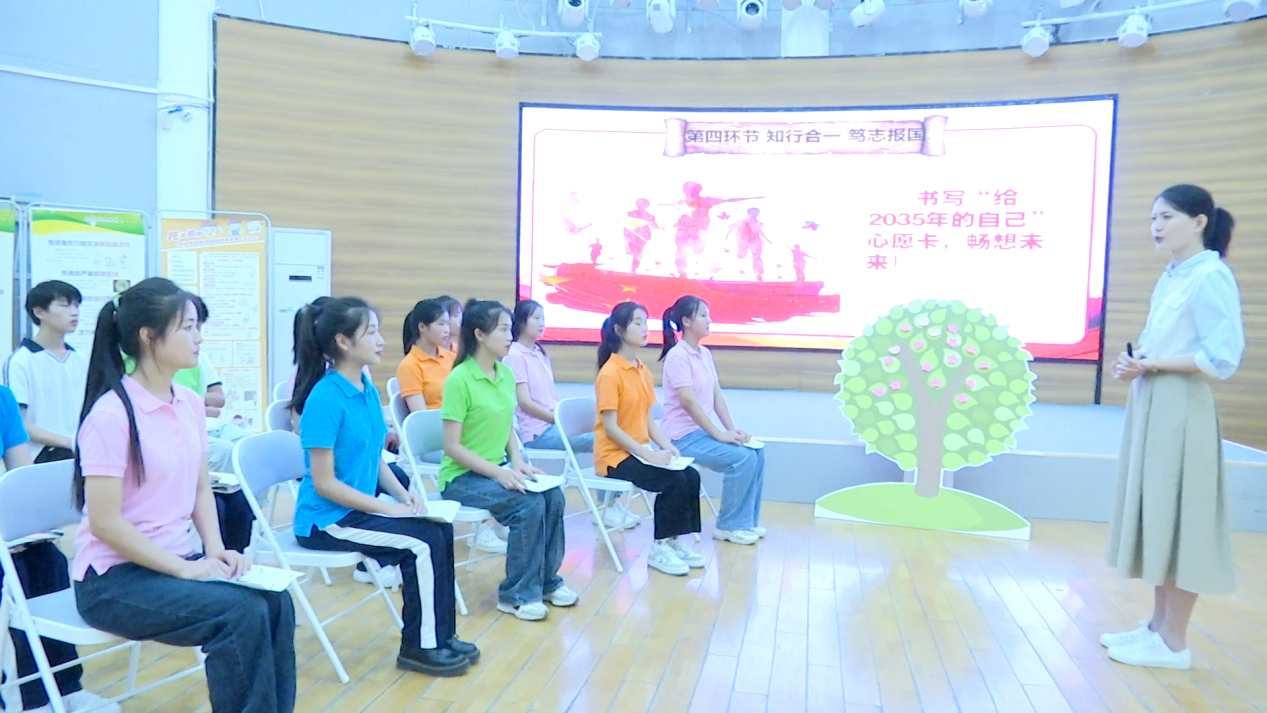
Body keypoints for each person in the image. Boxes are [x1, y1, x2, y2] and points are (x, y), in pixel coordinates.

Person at [71, 278, 295, 712]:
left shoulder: (189, 402)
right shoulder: (111, 415)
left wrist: (216, 549)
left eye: (198, 327)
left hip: (175, 563)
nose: (199, 338)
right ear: (149, 336)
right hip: (113, 580)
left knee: (275, 601)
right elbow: (105, 523)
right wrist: (185, 568)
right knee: (240, 613)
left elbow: (199, 486)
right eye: (188, 327)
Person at [291, 297, 475, 677]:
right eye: (371, 332)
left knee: (439, 531)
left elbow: (374, 457)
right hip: (327, 521)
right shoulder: (324, 399)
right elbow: (324, 484)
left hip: (357, 510)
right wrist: (386, 508)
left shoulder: (366, 389)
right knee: (420, 544)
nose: (381, 341)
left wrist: (403, 495)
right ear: (343, 341)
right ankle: (420, 647)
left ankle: (442, 635)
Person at [1102, 184, 1244, 671]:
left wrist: (1154, 364)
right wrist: (1136, 363)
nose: (1156, 227)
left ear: (1199, 221)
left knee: (1182, 519)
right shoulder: (1174, 275)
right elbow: (1160, 344)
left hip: (1182, 407)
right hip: (1154, 401)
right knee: (1160, 514)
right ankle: (1157, 628)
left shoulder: (1210, 276)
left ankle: (1174, 643)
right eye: (1152, 218)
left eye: (1166, 217)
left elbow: (1221, 357)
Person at [437, 299, 577, 622]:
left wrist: (517, 461)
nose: (510, 336)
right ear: (480, 334)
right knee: (527, 505)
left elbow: (507, 428)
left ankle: (546, 582)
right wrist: (499, 473)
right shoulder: (460, 379)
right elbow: (452, 447)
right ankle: (516, 595)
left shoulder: (504, 374)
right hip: (461, 478)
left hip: (496, 469)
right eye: (503, 329)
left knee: (553, 496)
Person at [1, 384, 119, 713]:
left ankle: (66, 688)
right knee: (12, 575)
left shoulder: (3, 398)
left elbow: (23, 477)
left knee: (47, 559)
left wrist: (25, 526)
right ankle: (30, 700)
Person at [593, 302, 704, 576]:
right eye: (637, 322)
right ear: (620, 330)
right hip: (615, 458)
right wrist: (649, 455)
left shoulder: (642, 369)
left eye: (645, 322)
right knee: (673, 481)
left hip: (638, 452)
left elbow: (648, 421)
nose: (645, 328)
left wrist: (667, 447)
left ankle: (674, 540)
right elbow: (611, 428)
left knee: (690, 475)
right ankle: (659, 547)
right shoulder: (610, 373)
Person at [505, 300, 636, 531]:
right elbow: (524, 402)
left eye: (543, 318)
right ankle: (604, 506)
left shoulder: (539, 352)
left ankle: (609, 503)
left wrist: (561, 419)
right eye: (536, 318)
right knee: (604, 439)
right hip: (537, 433)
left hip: (555, 425)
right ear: (522, 321)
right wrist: (557, 419)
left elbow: (550, 398)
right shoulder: (515, 355)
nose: (542, 323)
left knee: (612, 435)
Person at [398, 298, 506, 554]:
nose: (448, 329)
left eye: (449, 323)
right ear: (422, 327)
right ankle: (485, 529)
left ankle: (495, 521)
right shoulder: (410, 365)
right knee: (481, 454)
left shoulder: (451, 357)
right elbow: (422, 419)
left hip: (463, 430)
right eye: (441, 324)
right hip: (439, 439)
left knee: (501, 448)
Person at [660, 296, 766, 546]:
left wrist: (732, 430)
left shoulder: (704, 354)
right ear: (686, 321)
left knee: (756, 452)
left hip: (701, 433)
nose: (709, 320)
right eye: (703, 315)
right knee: (742, 458)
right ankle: (729, 526)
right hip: (681, 438)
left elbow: (717, 395)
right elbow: (688, 401)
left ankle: (745, 521)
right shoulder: (678, 356)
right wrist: (719, 434)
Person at [3, 280, 88, 464]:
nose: (74, 312)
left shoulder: (80, 358)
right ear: (39, 312)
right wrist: (69, 442)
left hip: (82, 451)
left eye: (76, 305)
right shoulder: (21, 361)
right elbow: (18, 423)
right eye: (64, 305)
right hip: (42, 456)